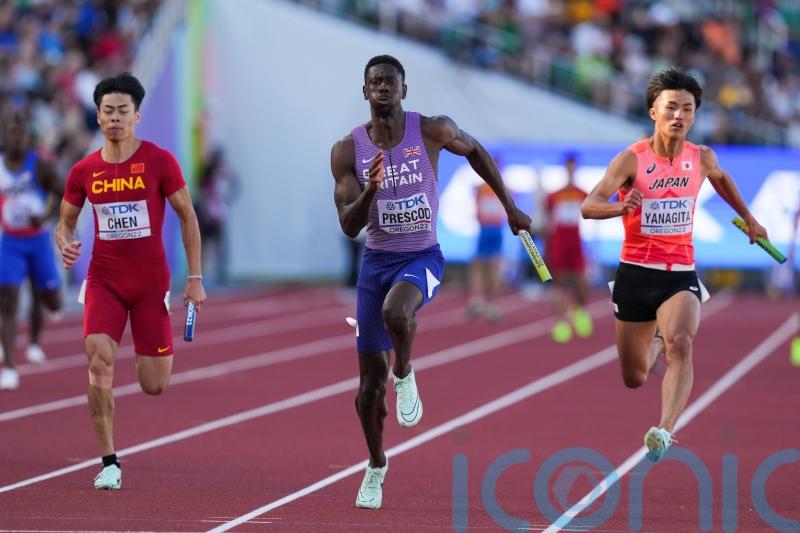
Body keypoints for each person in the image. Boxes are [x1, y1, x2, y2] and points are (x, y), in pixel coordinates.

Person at [331, 55, 531, 509]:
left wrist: (510, 207)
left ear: (405, 89)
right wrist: (370, 192)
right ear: (365, 92)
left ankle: (405, 371)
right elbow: (348, 226)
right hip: (376, 263)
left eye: (391, 81)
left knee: (396, 312)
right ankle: (376, 465)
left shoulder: (432, 130)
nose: (383, 87)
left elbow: (476, 151)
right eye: (375, 82)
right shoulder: (348, 150)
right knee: (367, 395)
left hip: (422, 255)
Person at [581, 67, 769, 462]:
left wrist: (749, 218)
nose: (678, 116)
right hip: (634, 272)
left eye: (687, 109)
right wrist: (619, 207)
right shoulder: (631, 159)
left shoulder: (702, 157)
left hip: (680, 272)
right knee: (634, 377)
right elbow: (588, 205)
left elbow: (721, 179)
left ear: (695, 115)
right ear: (654, 111)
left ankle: (664, 430)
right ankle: (653, 340)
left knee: (682, 343)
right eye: (671, 108)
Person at [55, 72, 206, 489]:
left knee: (153, 384)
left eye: (123, 111)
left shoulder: (159, 161)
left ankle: (146, 352)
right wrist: (64, 243)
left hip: (149, 283)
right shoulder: (84, 170)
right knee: (98, 360)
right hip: (103, 278)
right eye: (108, 111)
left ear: (137, 116)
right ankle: (109, 462)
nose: (115, 118)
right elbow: (64, 223)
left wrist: (194, 277)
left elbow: (187, 216)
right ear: (98, 117)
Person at [0, 111, 64, 390]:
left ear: (27, 138)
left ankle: (36, 339)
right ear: (4, 136)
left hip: (38, 241)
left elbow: (63, 191)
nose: (15, 137)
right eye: (11, 132)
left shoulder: (40, 166)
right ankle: (11, 367)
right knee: (9, 300)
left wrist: (48, 215)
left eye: (20, 133)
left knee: (52, 301)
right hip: (11, 242)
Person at [543, 153, 592, 342]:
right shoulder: (554, 195)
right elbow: (548, 220)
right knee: (560, 283)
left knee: (581, 282)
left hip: (576, 241)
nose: (571, 170)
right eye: (568, 167)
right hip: (559, 242)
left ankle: (578, 309)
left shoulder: (582, 193)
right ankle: (561, 322)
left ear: (576, 168)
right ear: (565, 168)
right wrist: (547, 246)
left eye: (573, 167)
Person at [467, 181, 506, 322]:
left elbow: (476, 203)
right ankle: (494, 306)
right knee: (493, 269)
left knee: (479, 266)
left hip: (486, 229)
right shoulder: (502, 188)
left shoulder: (482, 188)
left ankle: (477, 301)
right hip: (496, 229)